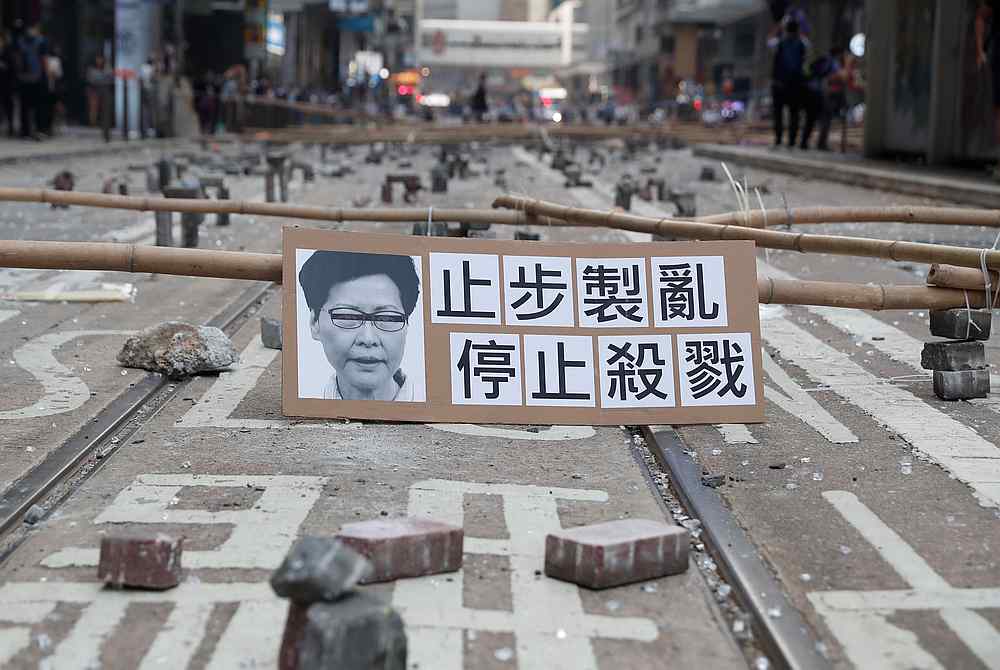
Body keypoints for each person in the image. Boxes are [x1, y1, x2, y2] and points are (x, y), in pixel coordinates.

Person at [298, 250, 421, 402]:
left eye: (387, 318)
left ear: (407, 325)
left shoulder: (437, 404)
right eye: (347, 316)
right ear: (314, 322)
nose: (368, 339)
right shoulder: (306, 405)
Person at [771, 19, 807, 148]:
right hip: (793, 84)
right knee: (793, 113)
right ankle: (789, 140)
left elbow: (776, 63)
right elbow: (803, 63)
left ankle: (780, 139)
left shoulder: (781, 43)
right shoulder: (800, 44)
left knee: (781, 113)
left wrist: (775, 80)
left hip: (783, 83)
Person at [15, 23, 47, 140]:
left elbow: (17, 59)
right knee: (38, 106)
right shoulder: (41, 41)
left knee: (25, 107)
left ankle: (25, 131)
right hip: (36, 77)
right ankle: (38, 130)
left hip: (24, 78)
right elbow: (44, 60)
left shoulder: (20, 42)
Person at [86, 55, 111, 127]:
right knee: (94, 107)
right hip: (93, 90)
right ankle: (93, 123)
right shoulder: (91, 69)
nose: (99, 61)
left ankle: (103, 123)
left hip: (104, 90)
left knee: (104, 107)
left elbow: (109, 78)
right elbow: (91, 79)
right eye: (98, 59)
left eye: (100, 59)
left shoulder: (106, 68)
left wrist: (107, 67)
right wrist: (102, 78)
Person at [0, 32, 15, 136]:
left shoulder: (8, 52)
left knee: (8, 106)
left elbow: (12, 67)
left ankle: (10, 127)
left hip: (6, 84)